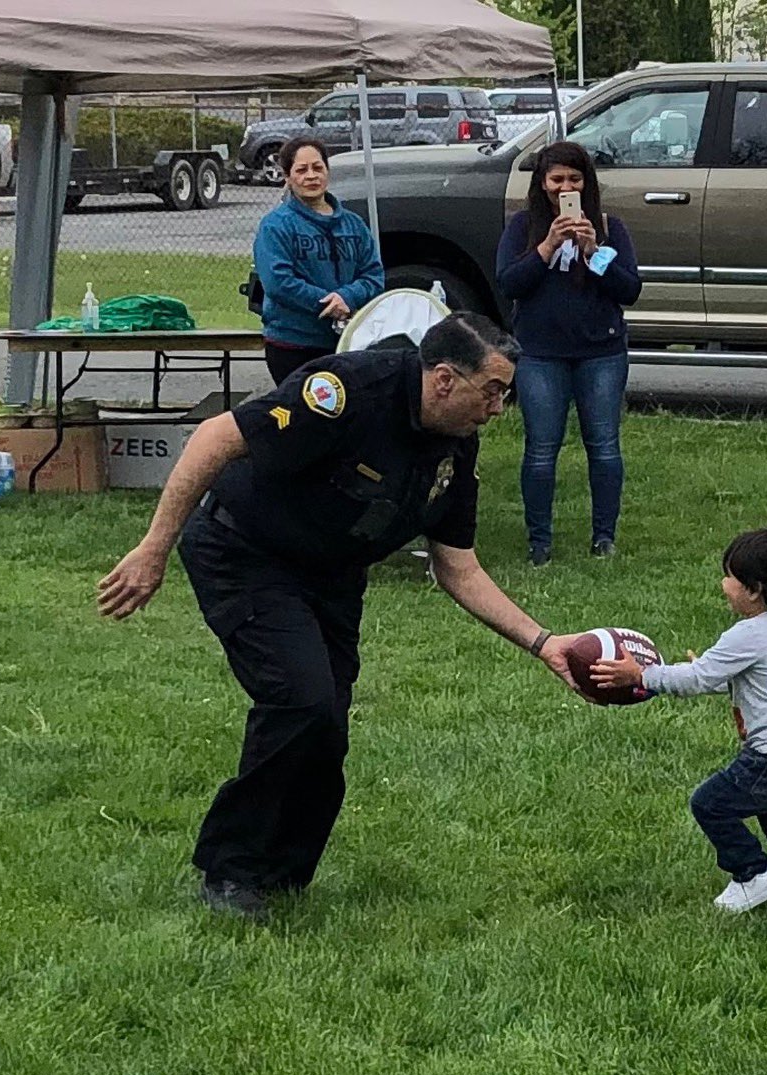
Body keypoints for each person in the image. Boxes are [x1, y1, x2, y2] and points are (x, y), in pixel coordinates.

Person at [97, 313, 584, 919]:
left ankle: (283, 878)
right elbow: (216, 437)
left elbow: (458, 568)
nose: (499, 408)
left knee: (326, 721)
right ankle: (232, 871)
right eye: (492, 391)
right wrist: (153, 549)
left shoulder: (455, 445)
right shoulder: (347, 391)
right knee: (298, 701)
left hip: (329, 574)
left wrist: (544, 644)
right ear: (442, 379)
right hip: (244, 551)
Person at [591, 527, 767, 914]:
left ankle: (752, 873)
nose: (723, 583)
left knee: (710, 804)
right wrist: (707, 673)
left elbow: (696, 680)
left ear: (754, 589)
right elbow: (738, 681)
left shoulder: (748, 634)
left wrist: (640, 676)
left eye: (730, 576)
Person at [495, 141, 642, 566]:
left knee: (605, 447)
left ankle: (604, 537)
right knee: (541, 450)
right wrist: (546, 247)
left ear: (587, 184)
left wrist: (594, 254)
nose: (565, 187)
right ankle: (539, 542)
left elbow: (629, 289)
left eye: (574, 179)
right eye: (557, 179)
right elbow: (509, 284)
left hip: (601, 352)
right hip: (541, 352)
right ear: (542, 184)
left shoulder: (610, 228)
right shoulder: (522, 227)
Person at [253, 137, 384, 385]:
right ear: (288, 176)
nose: (311, 176)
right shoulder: (275, 226)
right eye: (301, 170)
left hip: (347, 344)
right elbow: (278, 282)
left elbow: (373, 275)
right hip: (293, 345)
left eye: (317, 168)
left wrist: (348, 297)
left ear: (327, 171)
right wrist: (327, 304)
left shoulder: (354, 225)